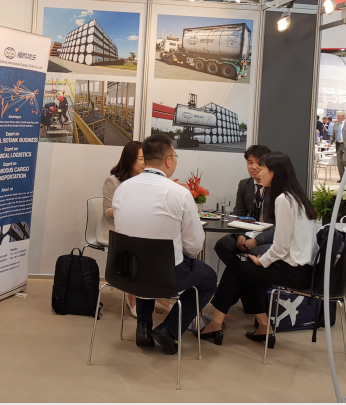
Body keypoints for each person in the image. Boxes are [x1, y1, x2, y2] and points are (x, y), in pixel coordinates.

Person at [199, 152, 316, 349]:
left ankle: (216, 325)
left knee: (236, 270)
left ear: (274, 172)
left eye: (262, 168)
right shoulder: (296, 197)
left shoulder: (283, 200)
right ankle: (262, 327)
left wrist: (262, 261)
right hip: (304, 269)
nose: (258, 172)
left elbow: (281, 247)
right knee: (244, 272)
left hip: (293, 271)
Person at [112, 134, 217, 355]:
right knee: (208, 278)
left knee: (145, 261)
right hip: (164, 276)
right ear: (169, 160)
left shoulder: (122, 189)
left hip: (125, 273)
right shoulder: (179, 194)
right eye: (175, 156)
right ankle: (169, 331)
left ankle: (143, 327)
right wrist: (181, 252)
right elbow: (195, 245)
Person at [99, 141, 146, 317]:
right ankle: (134, 298)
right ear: (130, 159)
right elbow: (107, 212)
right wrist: (130, 207)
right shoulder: (113, 181)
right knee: (137, 248)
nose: (145, 163)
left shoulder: (146, 181)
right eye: (141, 158)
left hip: (139, 229)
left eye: (147, 158)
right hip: (115, 230)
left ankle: (151, 296)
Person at [216, 145, 274, 263]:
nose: (254, 167)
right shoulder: (244, 185)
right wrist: (240, 235)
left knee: (256, 251)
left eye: (258, 162)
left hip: (269, 235)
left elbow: (279, 226)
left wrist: (257, 241)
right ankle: (241, 273)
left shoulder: (276, 187)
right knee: (222, 245)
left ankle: (241, 273)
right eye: (250, 162)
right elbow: (239, 213)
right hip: (249, 231)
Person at [330, 111, 346, 178]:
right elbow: (333, 135)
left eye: (338, 116)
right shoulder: (336, 124)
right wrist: (330, 142)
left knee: (344, 160)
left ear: (343, 116)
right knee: (339, 163)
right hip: (338, 145)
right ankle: (342, 177)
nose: (337, 117)